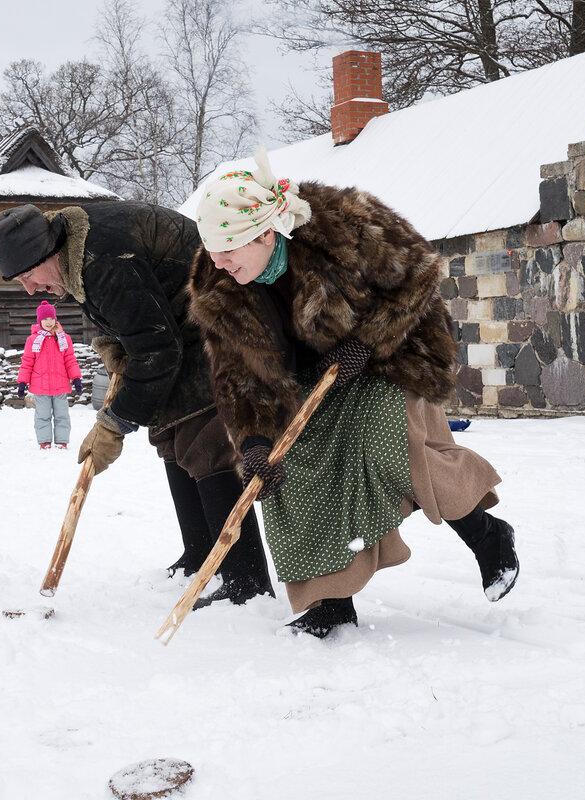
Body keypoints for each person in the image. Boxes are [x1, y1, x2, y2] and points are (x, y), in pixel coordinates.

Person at [187, 151, 520, 638]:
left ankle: (487, 535)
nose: (217, 262)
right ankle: (328, 602)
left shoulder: (343, 223)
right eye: (211, 249)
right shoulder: (218, 287)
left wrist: (367, 344)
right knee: (287, 478)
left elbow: (420, 274)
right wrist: (255, 441)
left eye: (227, 249)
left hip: (390, 355)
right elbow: (236, 375)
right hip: (307, 383)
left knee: (391, 450)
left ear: (264, 234)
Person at [0, 200, 275, 606]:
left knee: (202, 440)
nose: (30, 289)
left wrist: (114, 423)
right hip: (179, 322)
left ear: (47, 253)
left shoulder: (102, 258)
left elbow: (158, 350)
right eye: (19, 281)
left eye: (29, 275)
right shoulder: (74, 254)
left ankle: (246, 579)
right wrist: (112, 345)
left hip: (219, 316)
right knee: (171, 436)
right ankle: (200, 554)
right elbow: (119, 317)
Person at [16, 300, 84, 449]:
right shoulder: (33, 340)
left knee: (62, 416)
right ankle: (45, 442)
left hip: (60, 385)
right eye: (45, 319)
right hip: (40, 387)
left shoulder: (63, 338)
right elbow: (27, 362)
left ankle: (61, 442)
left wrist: (76, 378)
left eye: (51, 318)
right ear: (39, 320)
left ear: (55, 319)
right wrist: (22, 382)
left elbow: (70, 360)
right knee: (43, 416)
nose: (49, 322)